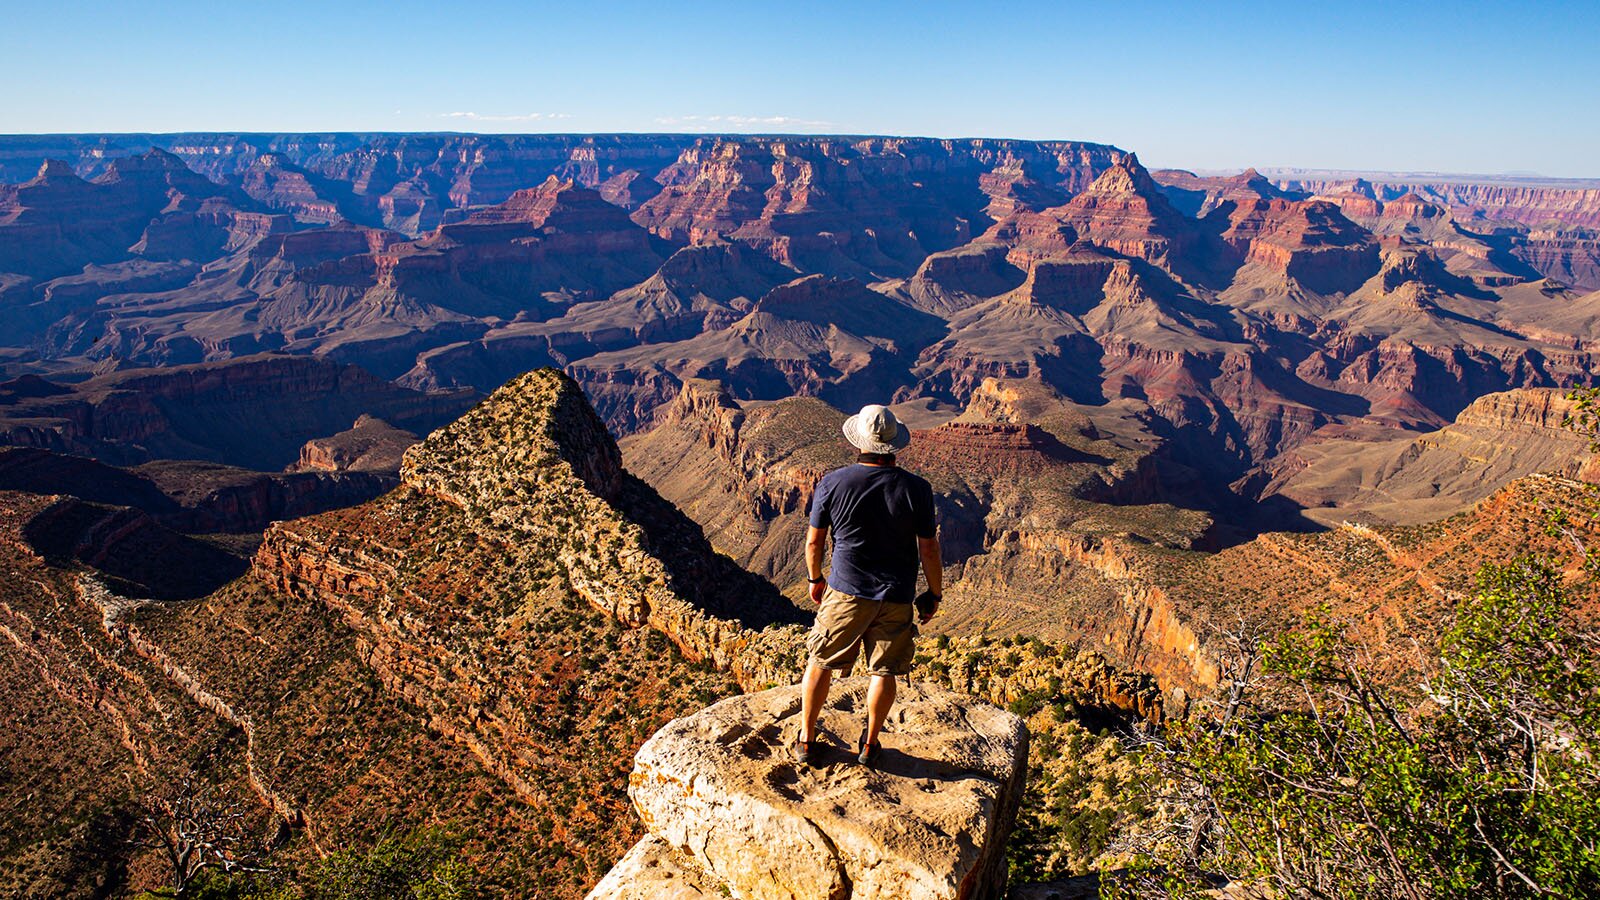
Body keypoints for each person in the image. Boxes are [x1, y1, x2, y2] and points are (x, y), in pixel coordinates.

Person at [796, 403, 942, 768]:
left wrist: (815, 579)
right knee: (884, 670)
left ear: (859, 440)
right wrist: (934, 594)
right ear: (893, 444)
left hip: (845, 590)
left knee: (821, 661)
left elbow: (814, 542)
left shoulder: (833, 482)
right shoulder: (917, 488)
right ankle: (869, 743)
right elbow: (929, 548)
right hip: (896, 595)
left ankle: (807, 738)